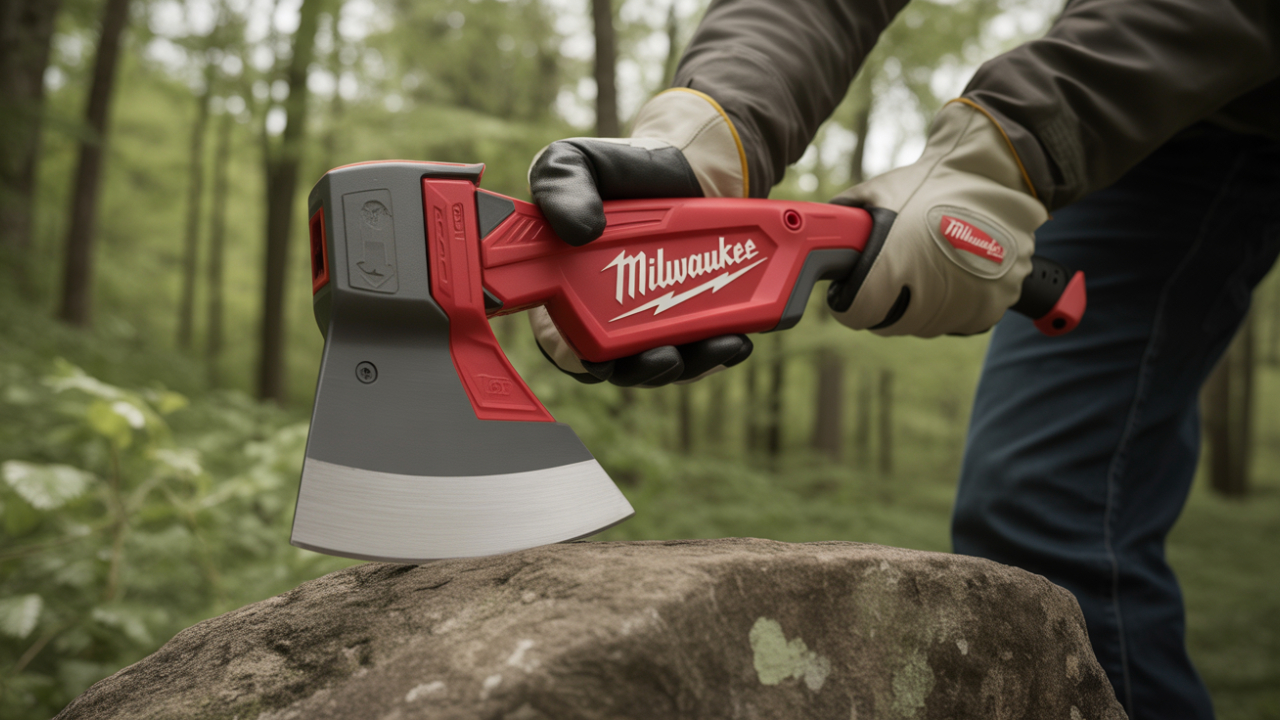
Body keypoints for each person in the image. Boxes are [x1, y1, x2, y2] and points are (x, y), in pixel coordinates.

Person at [527, 1, 1280, 717]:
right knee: (1033, 505)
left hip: (1227, 83)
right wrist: (706, 127)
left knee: (1062, 514)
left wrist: (998, 155)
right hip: (1139, 98)